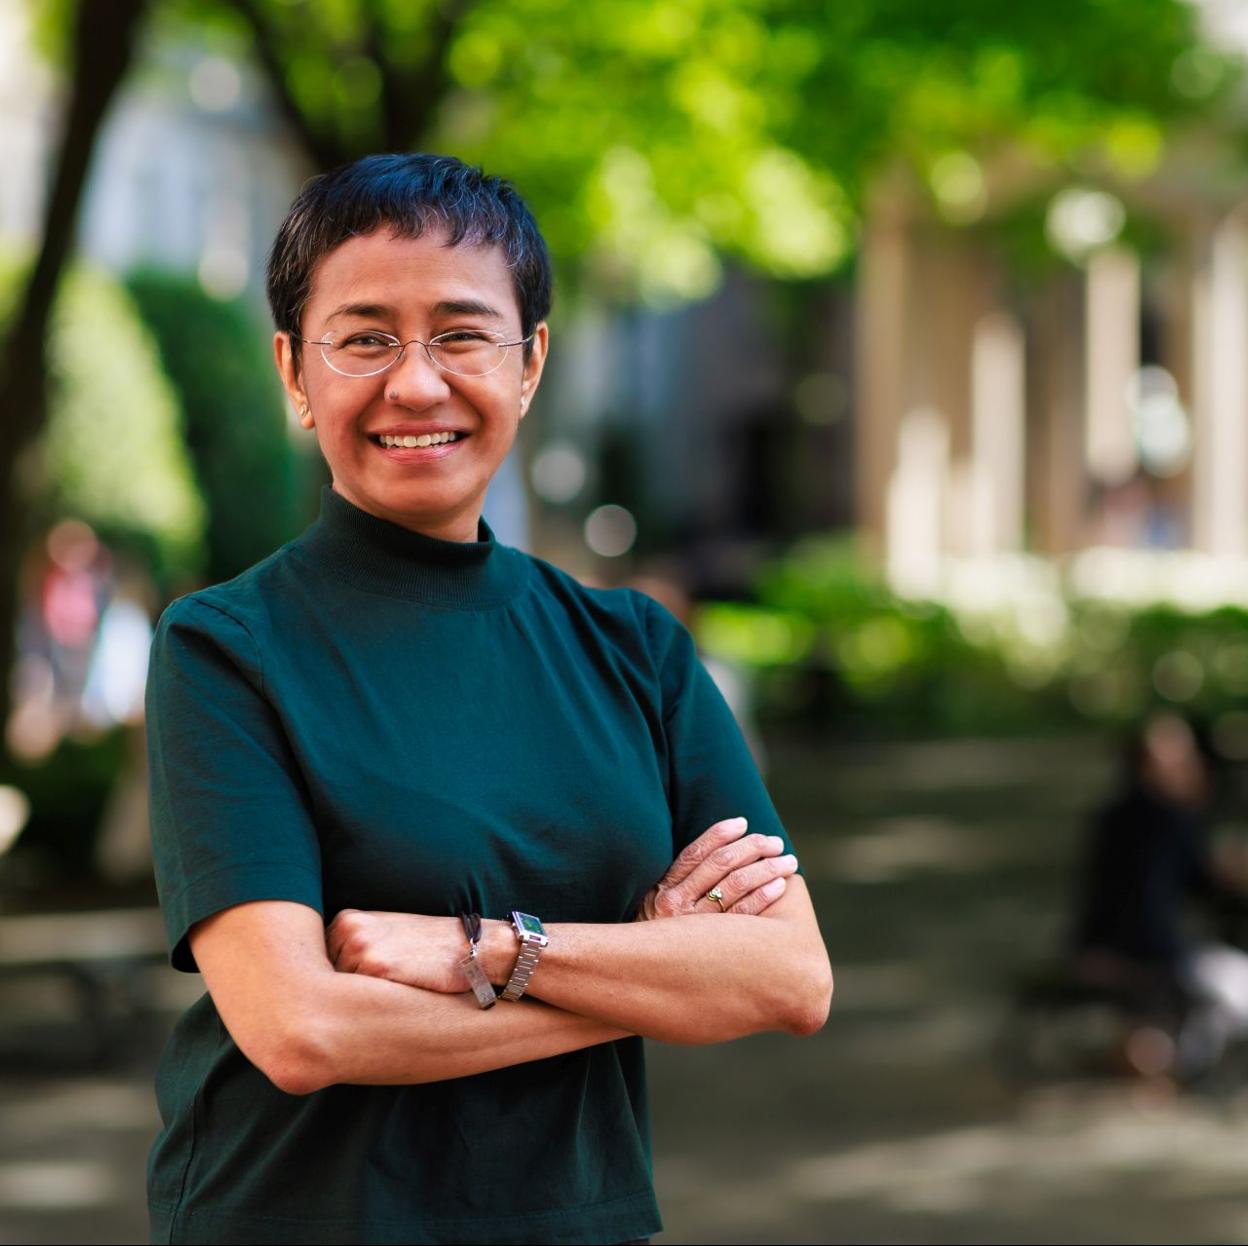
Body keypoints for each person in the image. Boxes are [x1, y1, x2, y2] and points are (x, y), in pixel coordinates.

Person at [144, 152, 833, 1246]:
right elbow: (301, 1028)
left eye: (462, 334)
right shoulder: (226, 649)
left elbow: (789, 976)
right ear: (293, 372)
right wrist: (640, 971)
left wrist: (493, 949)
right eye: (365, 337)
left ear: (529, 362)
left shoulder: (635, 650)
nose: (416, 383)